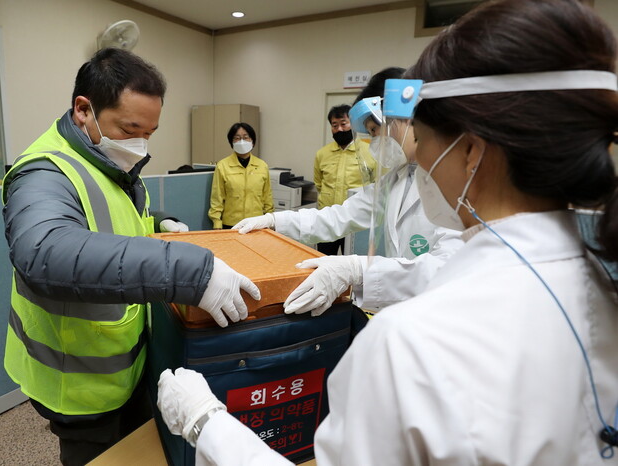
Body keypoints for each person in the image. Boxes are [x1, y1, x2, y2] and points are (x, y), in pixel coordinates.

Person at [157, 0, 618, 464]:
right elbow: (333, 216)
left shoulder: (413, 344)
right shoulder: (598, 285)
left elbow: (443, 268)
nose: (412, 151)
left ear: (472, 149)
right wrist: (276, 221)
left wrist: (206, 424)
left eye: (419, 131)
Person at [1, 48, 260, 466]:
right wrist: (190, 270)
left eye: (150, 132)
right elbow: (45, 250)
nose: (140, 143)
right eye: (130, 128)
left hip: (127, 368)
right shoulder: (43, 170)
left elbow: (109, 224)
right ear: (83, 110)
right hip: (78, 384)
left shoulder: (108, 160)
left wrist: (159, 224)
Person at [234, 68, 463, 313]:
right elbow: (338, 216)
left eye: (375, 130)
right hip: (406, 310)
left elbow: (450, 269)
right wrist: (275, 221)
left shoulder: (457, 180)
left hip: (443, 314)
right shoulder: (396, 179)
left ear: (406, 117)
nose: (375, 141)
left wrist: (357, 270)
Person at [312, 104, 376, 255]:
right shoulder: (322, 153)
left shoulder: (369, 151)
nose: (339, 129)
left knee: (353, 265)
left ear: (353, 124)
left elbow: (376, 185)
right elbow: (319, 184)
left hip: (356, 222)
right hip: (327, 221)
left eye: (343, 124)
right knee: (323, 261)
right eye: (335, 125)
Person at [208, 122, 273, 229]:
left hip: (256, 223)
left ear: (252, 141)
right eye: (237, 138)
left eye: (246, 137)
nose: (242, 141)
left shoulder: (262, 166)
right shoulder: (222, 166)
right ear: (231, 142)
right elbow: (217, 198)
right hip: (231, 224)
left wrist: (269, 219)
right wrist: (216, 222)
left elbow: (267, 197)